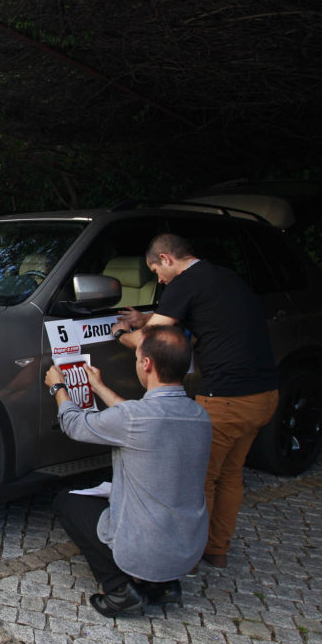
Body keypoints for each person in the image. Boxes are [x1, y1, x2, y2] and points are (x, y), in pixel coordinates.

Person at [111, 233, 279, 569]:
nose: (158, 280)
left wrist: (121, 333)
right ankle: (216, 550)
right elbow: (202, 315)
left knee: (198, 479)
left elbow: (150, 343)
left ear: (168, 259)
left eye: (157, 271)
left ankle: (184, 554)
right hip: (264, 396)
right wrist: (147, 317)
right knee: (230, 475)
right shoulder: (222, 276)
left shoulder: (184, 283)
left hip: (225, 400)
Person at [46, 325, 212, 617]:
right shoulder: (200, 415)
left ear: (146, 364)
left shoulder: (135, 419)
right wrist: (98, 386)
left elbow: (74, 425)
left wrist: (58, 388)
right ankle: (165, 586)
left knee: (67, 501)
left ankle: (119, 589)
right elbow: (133, 418)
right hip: (188, 550)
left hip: (143, 550)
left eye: (137, 356)